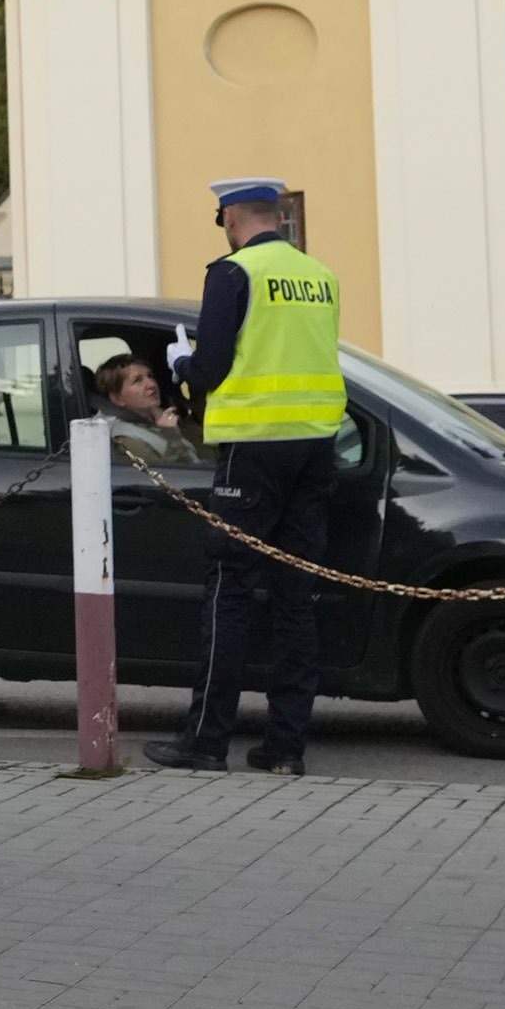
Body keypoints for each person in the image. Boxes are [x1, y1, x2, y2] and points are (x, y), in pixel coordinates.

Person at [145, 179, 348, 777]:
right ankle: (285, 749)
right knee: (296, 601)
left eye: (221, 220)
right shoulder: (321, 277)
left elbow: (209, 369)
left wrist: (180, 362)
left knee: (229, 594)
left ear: (233, 217)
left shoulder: (233, 274)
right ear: (279, 219)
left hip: (254, 452)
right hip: (315, 450)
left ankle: (206, 741)